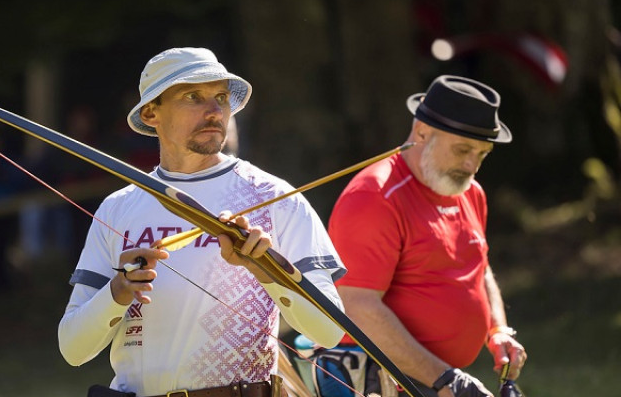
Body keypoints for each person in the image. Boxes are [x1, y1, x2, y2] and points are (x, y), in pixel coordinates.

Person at [58, 47, 346, 397]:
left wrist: (268, 271)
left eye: (221, 98)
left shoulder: (274, 197)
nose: (214, 111)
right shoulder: (118, 208)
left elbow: (330, 331)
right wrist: (118, 290)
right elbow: (72, 350)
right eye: (193, 96)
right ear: (151, 112)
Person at [326, 76, 527, 397]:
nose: (471, 165)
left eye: (482, 153)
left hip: (441, 380)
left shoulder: (468, 191)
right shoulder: (374, 197)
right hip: (382, 380)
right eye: (463, 149)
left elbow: (479, 265)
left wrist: (498, 330)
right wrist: (445, 379)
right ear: (421, 132)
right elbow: (357, 306)